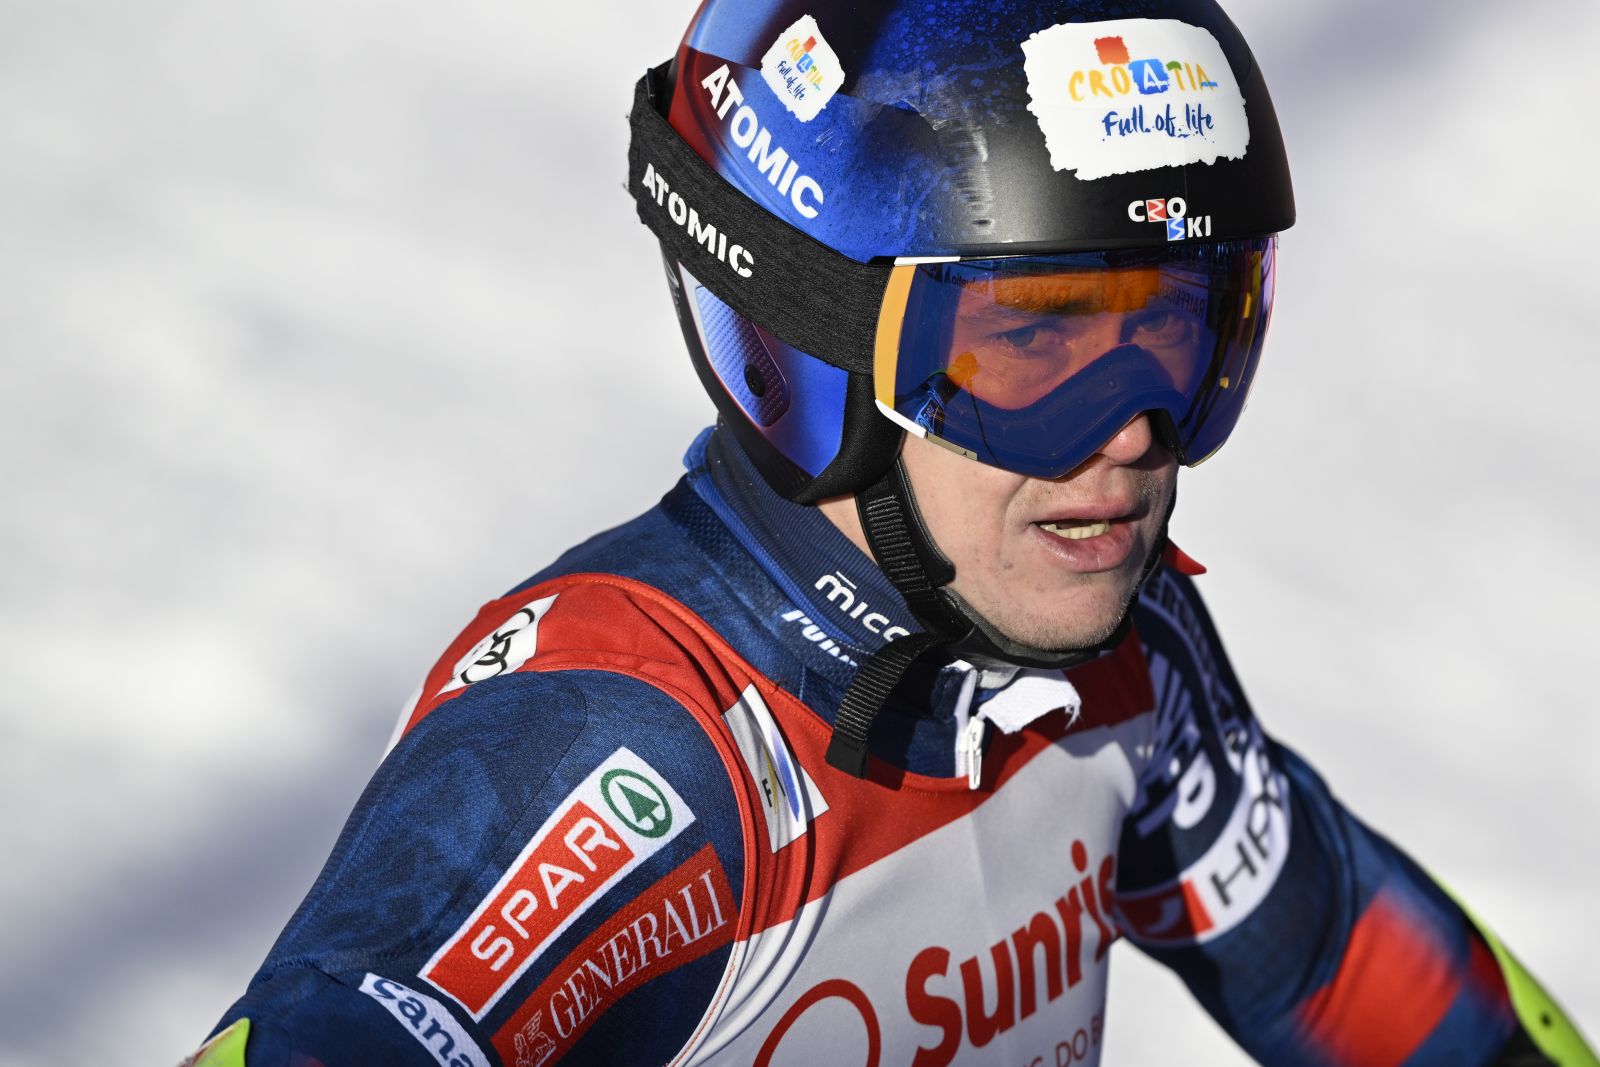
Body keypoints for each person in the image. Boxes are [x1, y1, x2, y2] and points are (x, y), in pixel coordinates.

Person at [186, 1, 1596, 1064]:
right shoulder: (634, 763)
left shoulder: (1115, 651)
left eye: (1176, 328)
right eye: (1036, 351)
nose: (1131, 439)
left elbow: (1345, 962)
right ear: (803, 352)